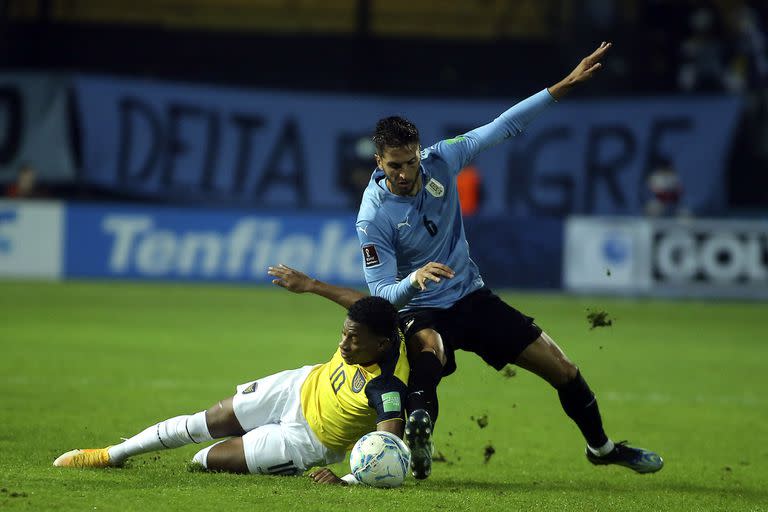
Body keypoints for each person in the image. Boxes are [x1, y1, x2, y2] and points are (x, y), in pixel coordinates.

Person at [353, 41, 663, 479]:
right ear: (379, 161)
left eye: (408, 162)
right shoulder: (373, 216)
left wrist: (563, 86)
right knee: (430, 352)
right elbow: (381, 294)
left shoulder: (443, 159)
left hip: (471, 297)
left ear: (418, 151)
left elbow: (503, 126)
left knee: (563, 368)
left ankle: (602, 447)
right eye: (392, 167)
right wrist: (414, 280)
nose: (402, 175)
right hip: (420, 308)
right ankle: (417, 448)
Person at [53, 296, 409, 486]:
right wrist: (312, 284)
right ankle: (111, 455)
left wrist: (347, 481)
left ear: (380, 345)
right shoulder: (376, 322)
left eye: (353, 339)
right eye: (343, 333)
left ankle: (265, 450)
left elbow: (388, 448)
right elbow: (358, 300)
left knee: (203, 461)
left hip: (307, 441)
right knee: (205, 420)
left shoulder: (387, 386)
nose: (344, 344)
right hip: (296, 386)